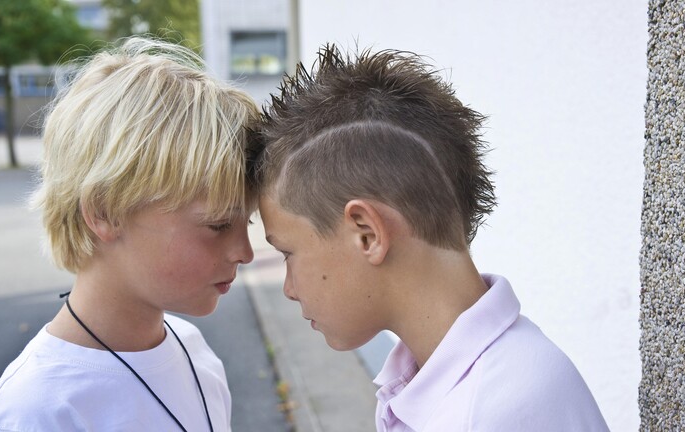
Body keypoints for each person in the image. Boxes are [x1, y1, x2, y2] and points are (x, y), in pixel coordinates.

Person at [252, 45, 610, 431]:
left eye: (287, 252)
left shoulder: (485, 414)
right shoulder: (486, 371)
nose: (289, 289)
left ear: (367, 234)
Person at [0, 37, 259, 432]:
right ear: (105, 212)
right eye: (218, 225)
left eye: (246, 223)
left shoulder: (194, 353)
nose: (245, 252)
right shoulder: (31, 415)